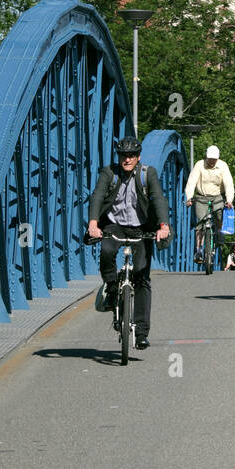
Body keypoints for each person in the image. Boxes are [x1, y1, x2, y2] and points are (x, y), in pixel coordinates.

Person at [87, 135, 170, 350]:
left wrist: (163, 226)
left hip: (141, 227)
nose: (127, 159)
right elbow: (97, 196)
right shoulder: (109, 173)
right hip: (114, 225)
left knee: (142, 276)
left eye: (132, 155)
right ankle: (113, 290)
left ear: (138, 157)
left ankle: (141, 333)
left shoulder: (147, 173)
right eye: (124, 155)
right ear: (119, 156)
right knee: (106, 251)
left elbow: (158, 198)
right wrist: (94, 223)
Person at [186, 144, 234, 264]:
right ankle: (199, 249)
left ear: (217, 158)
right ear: (206, 157)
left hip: (218, 196)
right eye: (210, 159)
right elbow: (191, 182)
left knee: (219, 214)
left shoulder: (223, 166)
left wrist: (229, 200)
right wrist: (189, 197)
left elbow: (228, 183)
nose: (211, 162)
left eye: (214, 159)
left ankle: (219, 232)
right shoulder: (199, 165)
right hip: (201, 196)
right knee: (200, 222)